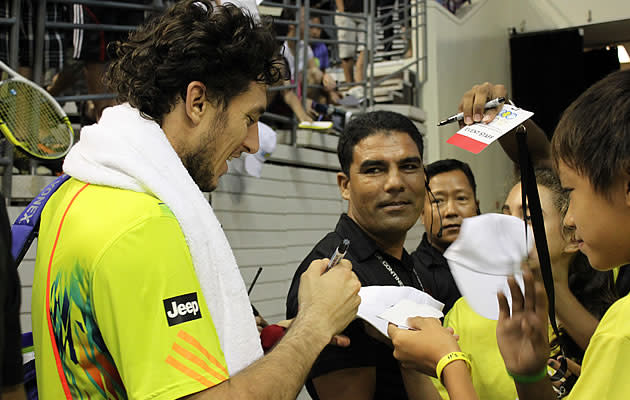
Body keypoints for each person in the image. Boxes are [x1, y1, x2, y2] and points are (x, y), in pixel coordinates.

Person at [31, 2, 361, 399]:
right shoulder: (145, 228)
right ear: (197, 101)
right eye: (251, 118)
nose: (253, 144)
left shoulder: (77, 189)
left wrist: (265, 339)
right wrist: (314, 326)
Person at [391, 69, 630, 399]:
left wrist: (449, 362)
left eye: (571, 193)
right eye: (506, 214)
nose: (571, 219)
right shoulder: (471, 312)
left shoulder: (618, 323)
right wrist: (530, 378)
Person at [287, 110, 440, 400]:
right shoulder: (331, 276)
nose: (395, 182)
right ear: (345, 185)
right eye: (374, 170)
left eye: (408, 166)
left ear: (424, 176)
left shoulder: (403, 259)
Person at [431, 168, 616, 400]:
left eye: (528, 217)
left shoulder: (610, 321)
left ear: (572, 235)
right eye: (505, 215)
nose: (508, 228)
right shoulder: (466, 312)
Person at [412, 159, 479, 314]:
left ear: (476, 206)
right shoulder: (414, 273)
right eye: (438, 201)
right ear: (422, 213)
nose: (451, 211)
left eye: (461, 198)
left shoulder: (496, 262)